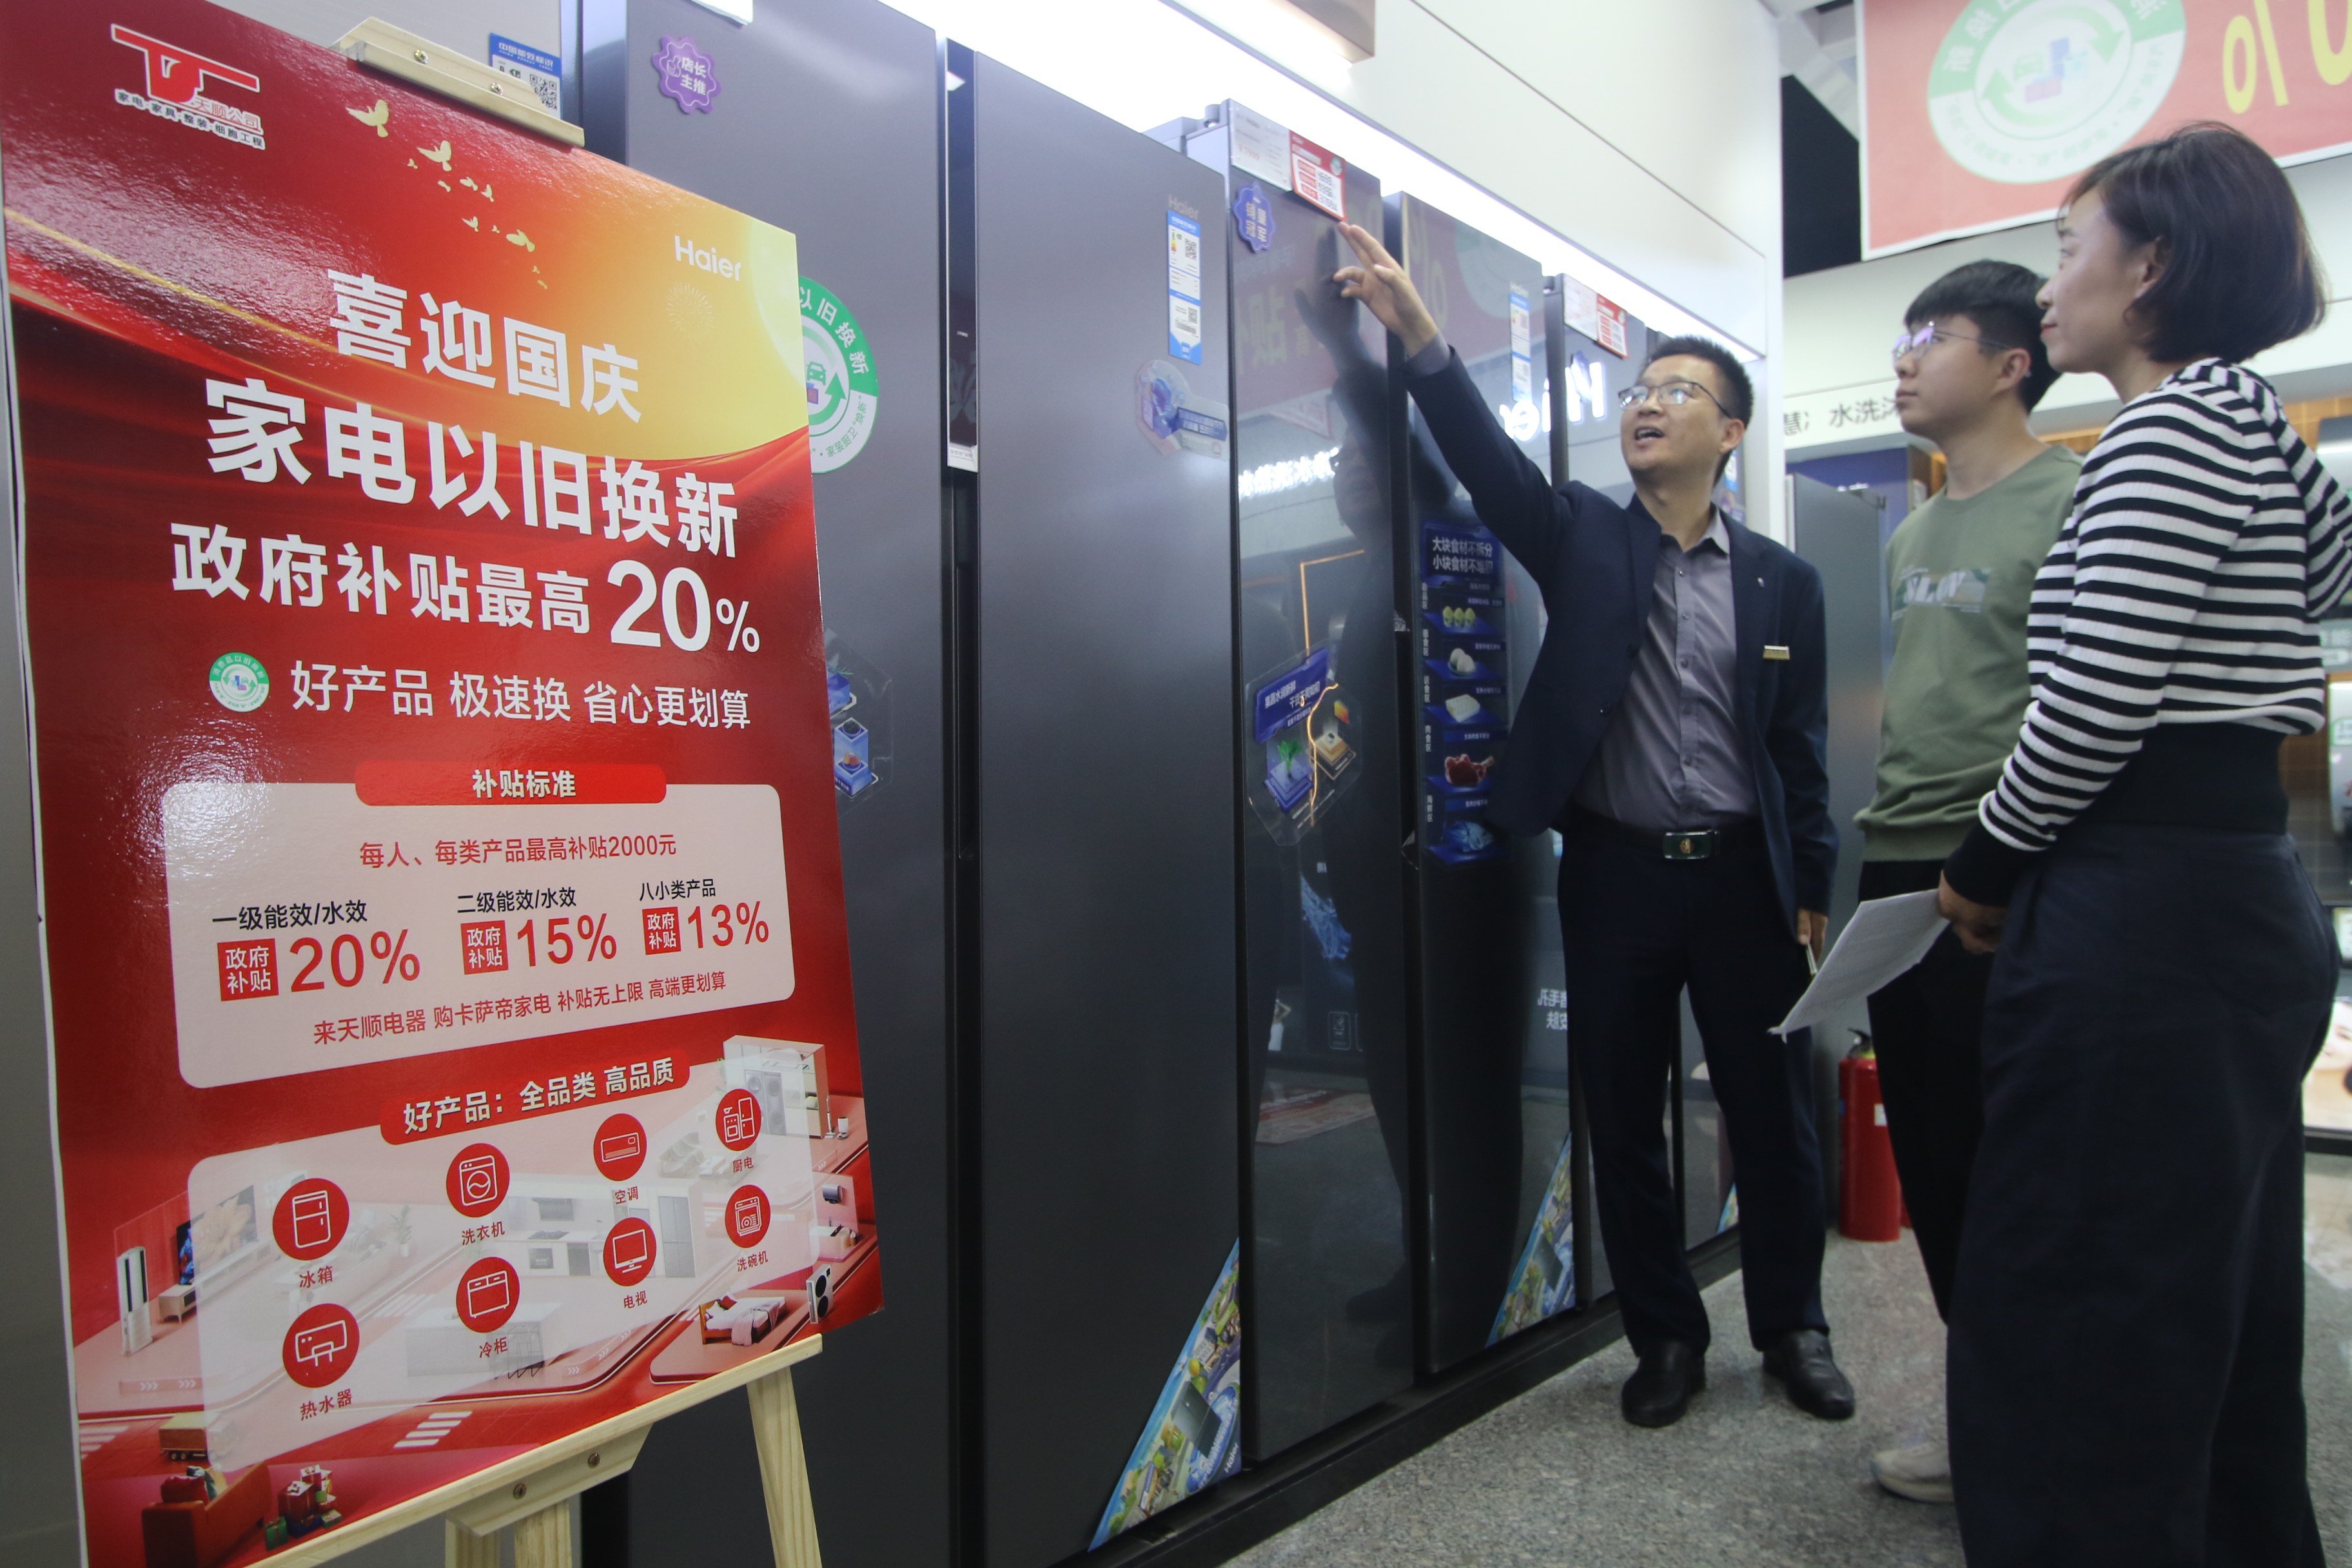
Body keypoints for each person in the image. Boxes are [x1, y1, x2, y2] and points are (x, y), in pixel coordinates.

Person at [1337, 223, 1851, 1429]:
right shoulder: (1580, 532)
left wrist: (1812, 882)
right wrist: (1418, 336)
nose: (1648, 408)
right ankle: (1665, 1336)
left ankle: (1795, 1328)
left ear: (1732, 433)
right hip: (1615, 875)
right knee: (1621, 1117)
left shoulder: (1784, 582)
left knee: (1770, 1119)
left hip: (1744, 883)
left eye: (1679, 393)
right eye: (1639, 392)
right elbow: (1482, 454)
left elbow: (1799, 749)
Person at [1933, 122, 2343, 1562]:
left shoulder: (2172, 425)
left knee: (2075, 1331)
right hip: (2230, 902)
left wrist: (1983, 867)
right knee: (2206, 1317)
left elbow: (2095, 704)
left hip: (2144, 915)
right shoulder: (2255, 425)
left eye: (2067, 250)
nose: (2051, 288)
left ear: (2151, 264)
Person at [1852, 260, 2076, 1505]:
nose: (1901, 360)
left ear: (2008, 364)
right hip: (1900, 866)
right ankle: (1979, 1400)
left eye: (1926, 338)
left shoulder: (2077, 496)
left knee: (2023, 1165)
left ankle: (2040, 1422)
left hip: (2008, 868)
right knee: (1935, 1158)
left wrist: (2013, 857)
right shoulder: (1917, 529)